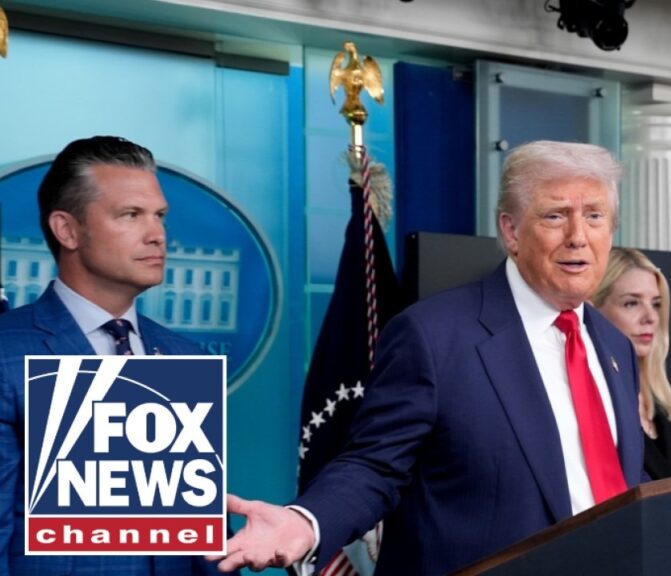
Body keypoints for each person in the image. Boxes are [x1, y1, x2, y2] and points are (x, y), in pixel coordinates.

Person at [213, 141, 644, 575]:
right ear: (511, 231)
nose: (578, 236)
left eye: (594, 216)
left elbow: (608, 481)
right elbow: (373, 466)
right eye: (555, 216)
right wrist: (307, 522)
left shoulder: (614, 346)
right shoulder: (433, 335)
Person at [0, 136, 228, 575]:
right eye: (131, 214)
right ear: (67, 230)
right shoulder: (8, 354)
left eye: (159, 216)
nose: (157, 235)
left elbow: (203, 544)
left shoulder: (185, 357)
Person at [592, 247, 671, 479]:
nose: (650, 317)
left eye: (656, 304)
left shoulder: (668, 406)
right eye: (631, 303)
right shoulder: (591, 404)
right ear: (593, 311)